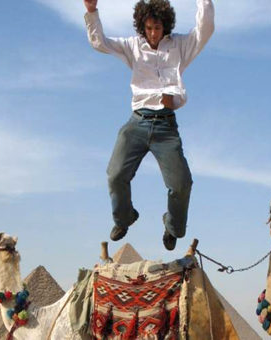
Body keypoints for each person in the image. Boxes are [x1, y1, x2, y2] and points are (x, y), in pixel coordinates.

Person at [83, 0, 214, 250]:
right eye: (149, 28)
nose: (154, 34)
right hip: (138, 122)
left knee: (181, 183)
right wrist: (91, 11)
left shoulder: (179, 46)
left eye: (158, 28)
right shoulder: (133, 46)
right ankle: (124, 217)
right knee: (115, 174)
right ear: (142, 27)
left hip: (165, 126)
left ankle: (173, 226)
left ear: (166, 27)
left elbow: (204, 29)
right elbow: (100, 43)